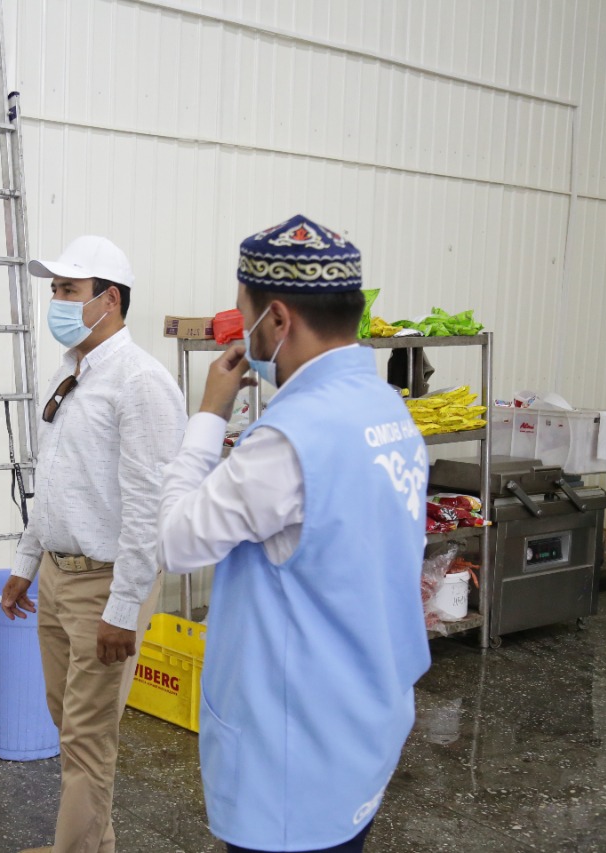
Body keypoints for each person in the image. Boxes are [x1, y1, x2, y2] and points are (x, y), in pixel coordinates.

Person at [157, 214, 431, 853]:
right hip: (365, 720)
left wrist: (208, 415)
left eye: (244, 312)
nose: (243, 327)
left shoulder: (287, 441)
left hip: (294, 755)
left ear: (277, 319)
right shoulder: (386, 408)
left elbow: (175, 540)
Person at [0, 235, 186, 853]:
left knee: (86, 737)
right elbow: (54, 480)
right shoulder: (71, 371)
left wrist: (123, 608)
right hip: (59, 576)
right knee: (70, 724)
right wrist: (27, 563)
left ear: (109, 300)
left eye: (69, 290)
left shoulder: (141, 382)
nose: (56, 300)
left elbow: (150, 507)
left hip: (106, 584)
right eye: (54, 289)